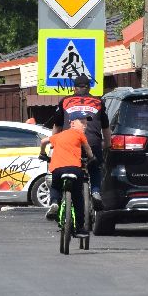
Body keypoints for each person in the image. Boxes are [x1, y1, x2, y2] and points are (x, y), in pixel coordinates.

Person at [48, 74, 109, 203]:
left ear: (74, 88)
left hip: (70, 143)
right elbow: (105, 128)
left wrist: (54, 145)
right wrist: (107, 144)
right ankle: (96, 192)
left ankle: (57, 199)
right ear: (89, 88)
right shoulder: (98, 101)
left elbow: (57, 126)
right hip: (93, 142)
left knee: (64, 167)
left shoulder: (65, 101)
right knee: (95, 166)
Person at [41, 119, 93, 234]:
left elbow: (43, 141)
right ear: (73, 124)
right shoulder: (79, 134)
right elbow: (88, 149)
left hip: (58, 169)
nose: (85, 126)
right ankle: (79, 227)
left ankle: (55, 202)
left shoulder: (58, 136)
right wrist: (92, 158)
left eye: (86, 124)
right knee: (78, 197)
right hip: (74, 168)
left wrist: (42, 154)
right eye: (82, 123)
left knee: (55, 187)